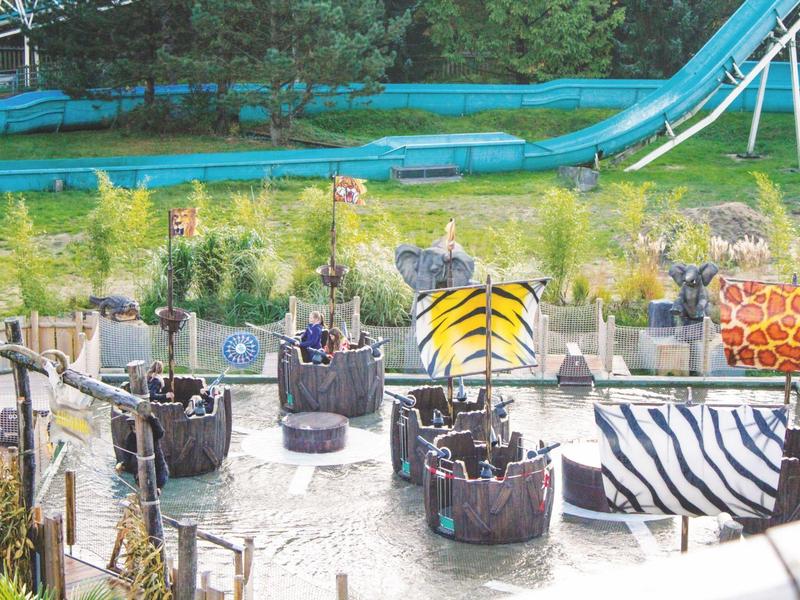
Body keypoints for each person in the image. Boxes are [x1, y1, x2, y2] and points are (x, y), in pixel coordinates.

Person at [116, 414, 169, 492]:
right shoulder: (130, 438)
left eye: (135, 424)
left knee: (158, 482)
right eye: (132, 425)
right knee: (143, 486)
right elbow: (127, 456)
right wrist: (123, 464)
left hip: (157, 467)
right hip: (139, 471)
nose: (134, 427)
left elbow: (160, 432)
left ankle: (157, 490)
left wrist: (152, 418)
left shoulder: (151, 434)